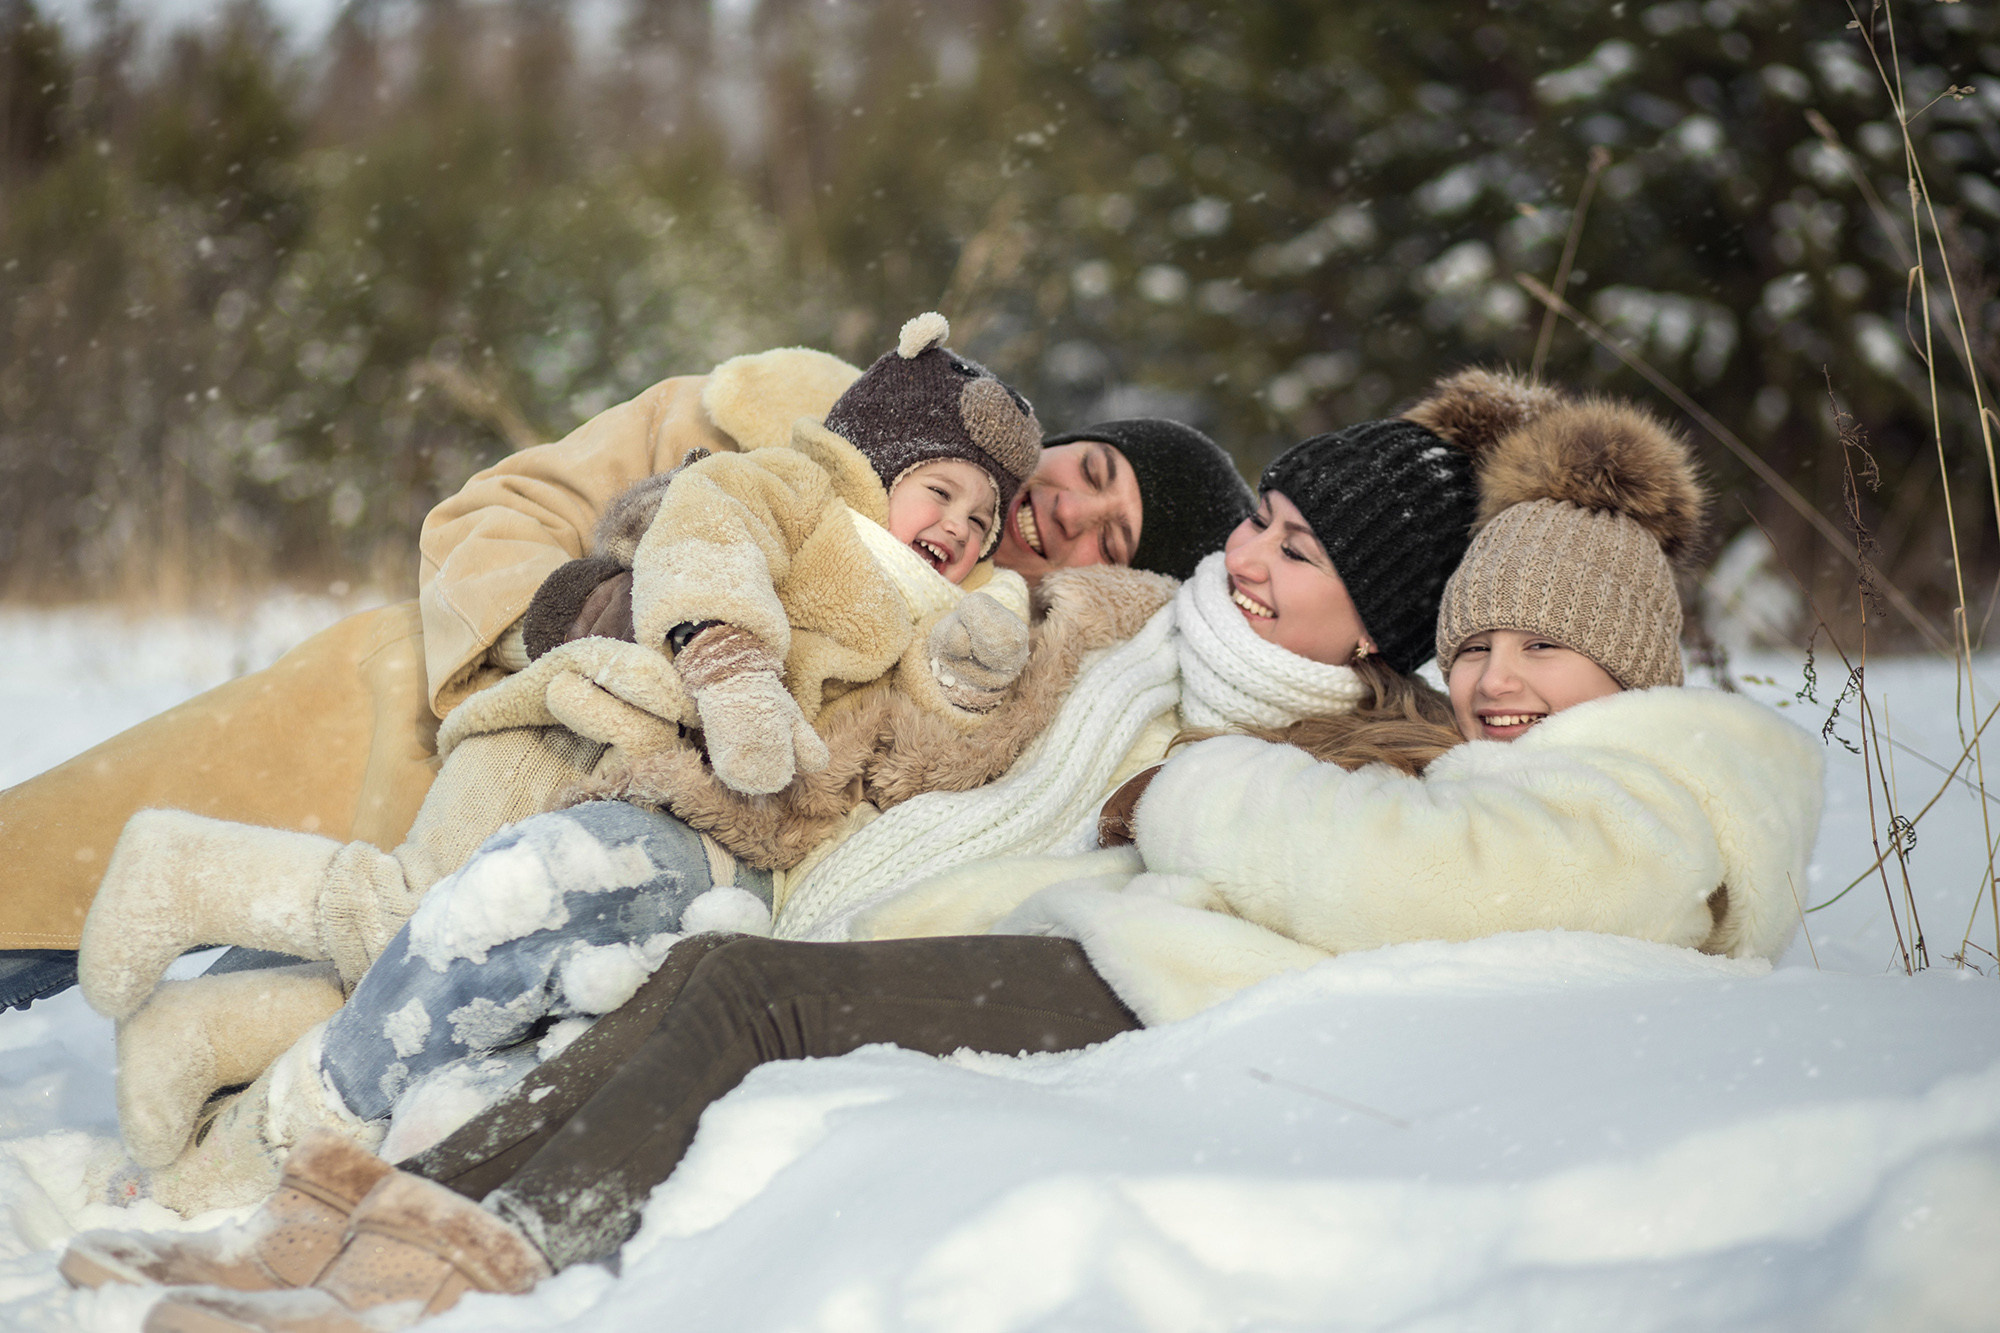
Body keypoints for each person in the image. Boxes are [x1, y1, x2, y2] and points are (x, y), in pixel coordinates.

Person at [61, 375, 1824, 1333]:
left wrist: (1189, 801)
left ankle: (428, 1270)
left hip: (1108, 972)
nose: (1252, 561)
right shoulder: (1140, 618)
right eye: (1268, 524)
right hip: (902, 877)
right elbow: (926, 626)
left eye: (1300, 555)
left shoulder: (1394, 743)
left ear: (1378, 626)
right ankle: (335, 1228)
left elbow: (1400, 868)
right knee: (646, 956)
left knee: (710, 983)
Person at [0, 317, 1252, 1009]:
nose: (1069, 512)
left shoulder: (997, 660)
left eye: (1112, 536)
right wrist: (578, 608)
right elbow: (498, 508)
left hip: (537, 851)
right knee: (46, 894)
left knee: (252, 991)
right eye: (1092, 471)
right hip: (397, 715)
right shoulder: (792, 414)